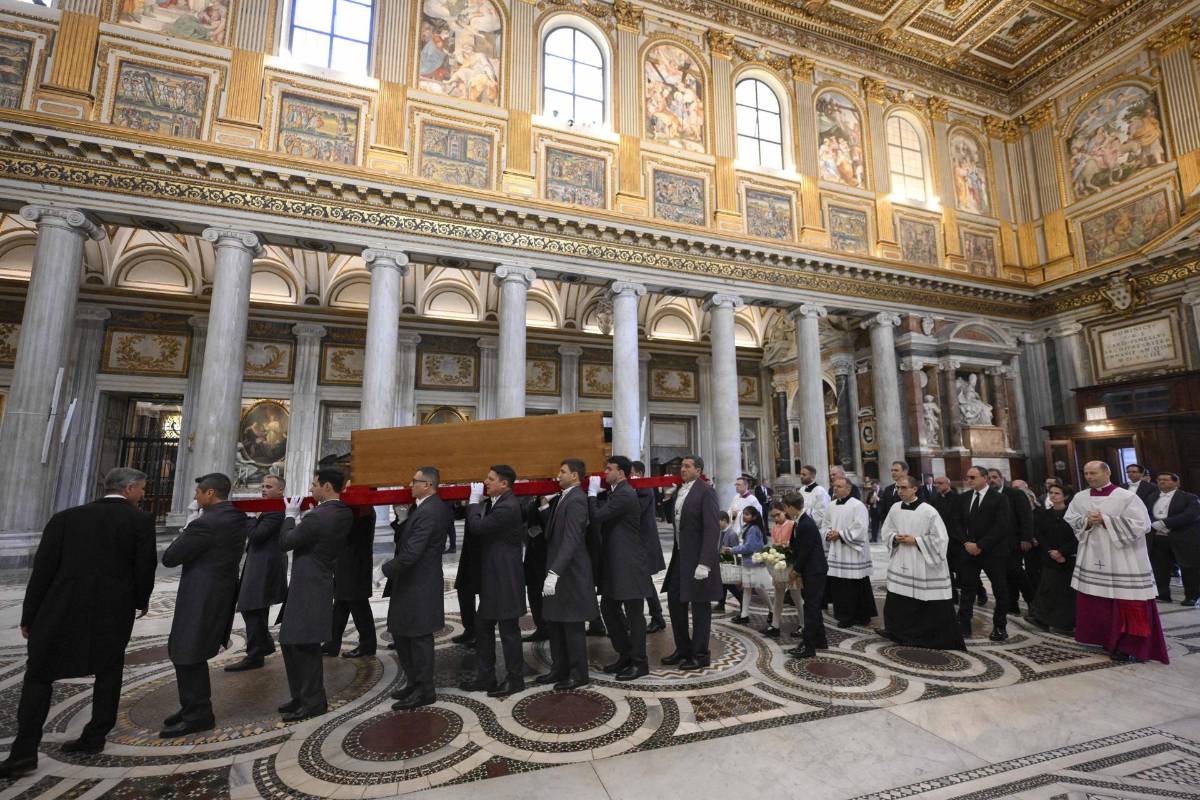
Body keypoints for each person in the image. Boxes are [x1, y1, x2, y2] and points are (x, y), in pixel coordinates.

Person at [0, 468, 156, 778]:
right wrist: (140, 600)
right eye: (141, 489)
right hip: (112, 609)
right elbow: (144, 567)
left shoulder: (65, 517)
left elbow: (42, 570)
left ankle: (24, 751)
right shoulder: (139, 521)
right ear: (128, 489)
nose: (142, 494)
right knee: (109, 671)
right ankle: (95, 735)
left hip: (60, 607)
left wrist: (30, 614)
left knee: (39, 676)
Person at [161, 473, 248, 737]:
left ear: (211, 493)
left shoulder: (206, 523)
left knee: (187, 651)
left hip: (201, 594)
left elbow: (171, 557)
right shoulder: (235, 516)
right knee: (192, 650)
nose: (195, 497)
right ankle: (191, 705)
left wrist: (189, 526)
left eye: (198, 492)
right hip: (219, 592)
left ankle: (198, 713)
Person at [1067, 461, 1168, 663]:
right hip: (1093, 555)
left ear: (1107, 473)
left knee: (1127, 601)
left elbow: (1143, 524)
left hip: (1123, 557)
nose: (1089, 477)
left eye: (1093, 472)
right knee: (1097, 600)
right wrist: (1086, 521)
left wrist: (1106, 520)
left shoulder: (1126, 497)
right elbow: (1070, 518)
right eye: (1086, 473)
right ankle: (1103, 638)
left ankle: (1128, 645)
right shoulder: (1080, 497)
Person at [277, 467, 353, 722]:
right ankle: (300, 695)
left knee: (304, 644)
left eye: (315, 484)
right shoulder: (342, 512)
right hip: (316, 579)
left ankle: (312, 701)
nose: (311, 488)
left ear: (328, 487)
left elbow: (286, 542)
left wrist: (290, 517)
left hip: (309, 583)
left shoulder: (319, 517)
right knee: (291, 640)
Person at [384, 467, 453, 710]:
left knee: (419, 635)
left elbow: (413, 551)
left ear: (428, 485)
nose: (410, 484)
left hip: (420, 581)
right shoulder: (423, 508)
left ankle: (425, 690)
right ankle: (413, 682)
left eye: (414, 481)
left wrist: (385, 570)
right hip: (411, 580)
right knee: (403, 632)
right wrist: (403, 521)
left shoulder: (431, 509)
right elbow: (409, 539)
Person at [460, 465, 527, 698]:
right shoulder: (497, 502)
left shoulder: (508, 506)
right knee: (483, 626)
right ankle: (486, 676)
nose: (485, 482)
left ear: (504, 484)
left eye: (490, 479)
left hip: (505, 579)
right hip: (493, 578)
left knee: (509, 631)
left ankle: (515, 678)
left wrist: (473, 501)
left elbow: (477, 527)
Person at [877, 476, 965, 651]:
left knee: (922, 601)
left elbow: (941, 539)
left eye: (903, 487)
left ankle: (921, 636)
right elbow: (886, 530)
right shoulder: (895, 508)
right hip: (901, 558)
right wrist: (894, 537)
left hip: (922, 561)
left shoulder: (928, 511)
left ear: (914, 489)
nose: (899, 491)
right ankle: (897, 631)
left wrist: (916, 541)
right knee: (898, 597)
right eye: (898, 487)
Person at [589, 455, 655, 681]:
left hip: (629, 563)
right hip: (616, 562)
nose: (605, 472)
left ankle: (639, 662)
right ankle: (625, 654)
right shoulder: (616, 492)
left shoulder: (625, 493)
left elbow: (597, 516)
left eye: (609, 469)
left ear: (621, 473)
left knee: (634, 614)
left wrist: (591, 495)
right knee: (609, 609)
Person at [536, 459, 597, 690]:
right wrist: (544, 507)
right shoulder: (564, 497)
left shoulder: (577, 500)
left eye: (562, 472)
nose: (557, 475)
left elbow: (571, 540)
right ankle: (559, 668)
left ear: (575, 476)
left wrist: (554, 573)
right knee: (556, 623)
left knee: (572, 626)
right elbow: (555, 532)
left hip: (569, 573)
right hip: (559, 570)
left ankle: (578, 674)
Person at [663, 455, 722, 670]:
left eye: (687, 466)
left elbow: (712, 529)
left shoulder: (706, 492)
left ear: (698, 470)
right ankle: (683, 648)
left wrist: (705, 562)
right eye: (682, 466)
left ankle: (700, 654)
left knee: (699, 606)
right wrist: (669, 498)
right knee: (675, 600)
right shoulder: (680, 490)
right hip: (680, 557)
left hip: (698, 558)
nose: (683, 469)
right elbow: (673, 520)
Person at [226, 474, 288, 673]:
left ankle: (256, 654)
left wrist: (251, 517)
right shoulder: (269, 507)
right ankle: (262, 646)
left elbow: (257, 535)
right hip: (259, 562)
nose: (263, 489)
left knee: (252, 606)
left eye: (268, 486)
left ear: (280, 490)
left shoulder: (276, 510)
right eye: (262, 486)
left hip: (265, 564)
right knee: (254, 608)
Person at [957, 465, 1014, 641]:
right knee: (967, 589)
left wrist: (981, 545)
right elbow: (956, 522)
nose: (969, 481)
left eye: (973, 477)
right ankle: (963, 625)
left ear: (985, 478)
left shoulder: (999, 498)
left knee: (1000, 590)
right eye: (967, 477)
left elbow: (1002, 526)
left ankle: (999, 626)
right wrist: (966, 542)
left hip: (993, 552)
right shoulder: (964, 498)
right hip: (969, 551)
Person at [822, 476, 877, 628]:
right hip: (837, 550)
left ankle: (860, 615)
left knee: (855, 584)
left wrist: (840, 534)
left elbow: (861, 528)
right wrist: (828, 533)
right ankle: (844, 615)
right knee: (839, 585)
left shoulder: (857, 506)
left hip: (853, 551)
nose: (835, 488)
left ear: (848, 489)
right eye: (834, 486)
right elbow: (824, 524)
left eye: (839, 486)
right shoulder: (831, 505)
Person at [325, 504, 376, 658]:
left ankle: (367, 645)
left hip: (355, 565)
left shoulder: (363, 511)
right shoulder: (354, 510)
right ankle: (332, 644)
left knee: (359, 606)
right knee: (340, 605)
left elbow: (348, 535)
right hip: (345, 564)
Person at [781, 493, 829, 658]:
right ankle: (820, 640)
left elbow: (806, 551)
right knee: (812, 605)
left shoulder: (805, 524)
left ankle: (808, 647)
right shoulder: (800, 522)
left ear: (791, 507)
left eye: (785, 507)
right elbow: (799, 545)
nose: (785, 510)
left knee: (811, 607)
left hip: (814, 570)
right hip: (812, 569)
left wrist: (796, 570)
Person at [1028, 484, 1077, 634]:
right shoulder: (1045, 514)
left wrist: (1062, 552)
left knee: (1065, 592)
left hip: (1067, 557)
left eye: (1057, 493)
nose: (1053, 496)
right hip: (1050, 557)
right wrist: (1050, 551)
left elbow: (1077, 536)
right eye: (1051, 493)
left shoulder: (1073, 514)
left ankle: (1064, 623)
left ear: (1065, 496)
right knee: (1048, 588)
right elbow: (1040, 534)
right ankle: (1042, 618)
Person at [1147, 472, 1200, 606]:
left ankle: (1192, 596)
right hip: (1158, 538)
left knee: (1188, 568)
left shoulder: (1189, 497)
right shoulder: (1152, 496)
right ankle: (1162, 594)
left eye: (1166, 480)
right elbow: (1146, 512)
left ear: (1176, 482)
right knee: (1160, 568)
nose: (1161, 482)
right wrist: (1153, 523)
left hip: (1182, 537)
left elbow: (1191, 515)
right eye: (1159, 480)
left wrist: (1166, 523)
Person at [989, 469, 1036, 616]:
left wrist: (1026, 538)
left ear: (1002, 478)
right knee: (1004, 575)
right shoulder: (988, 496)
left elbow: (1026, 517)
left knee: (1016, 572)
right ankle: (1012, 603)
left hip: (1014, 541)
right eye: (989, 478)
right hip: (996, 544)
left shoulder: (1015, 494)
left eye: (995, 477)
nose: (992, 480)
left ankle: (1032, 601)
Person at [632, 461, 668, 633]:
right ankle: (656, 616)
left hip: (644, 543)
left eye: (631, 473)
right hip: (639, 543)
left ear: (639, 473)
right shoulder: (638, 488)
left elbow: (635, 510)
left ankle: (657, 616)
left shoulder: (644, 488)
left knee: (645, 581)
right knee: (643, 581)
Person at [728, 506, 772, 630]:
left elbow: (749, 547)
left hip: (754, 562)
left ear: (754, 516)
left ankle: (772, 609)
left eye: (747, 514)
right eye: (744, 514)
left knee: (758, 588)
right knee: (747, 588)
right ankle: (744, 615)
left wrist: (733, 550)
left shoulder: (753, 528)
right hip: (749, 562)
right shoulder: (749, 527)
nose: (745, 516)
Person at [930, 476, 965, 603]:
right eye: (936, 484)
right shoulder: (935, 500)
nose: (937, 486)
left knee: (963, 569)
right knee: (947, 568)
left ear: (948, 484)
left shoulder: (958, 498)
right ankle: (953, 594)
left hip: (956, 540)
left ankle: (980, 592)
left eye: (940, 483)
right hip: (942, 540)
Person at [765, 501, 796, 638]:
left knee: (796, 597)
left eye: (778, 515)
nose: (776, 519)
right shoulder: (774, 528)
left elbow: (794, 544)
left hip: (791, 566)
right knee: (778, 597)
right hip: (779, 566)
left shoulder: (792, 525)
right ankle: (775, 625)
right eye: (773, 517)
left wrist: (786, 546)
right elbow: (774, 544)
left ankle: (803, 625)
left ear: (784, 511)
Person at [522, 495, 550, 643]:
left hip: (546, 557)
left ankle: (548, 628)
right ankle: (541, 627)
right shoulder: (532, 500)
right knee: (533, 594)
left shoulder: (555, 499)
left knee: (545, 596)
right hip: (532, 556)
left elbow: (554, 527)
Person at [877, 461, 929, 528]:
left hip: (910, 527)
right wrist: (886, 526)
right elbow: (883, 510)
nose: (893, 472)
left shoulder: (916, 487)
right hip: (892, 529)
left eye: (896, 470)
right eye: (892, 470)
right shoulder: (888, 489)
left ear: (905, 471)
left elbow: (921, 506)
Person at [716, 511, 742, 613]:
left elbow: (735, 549)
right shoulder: (720, 531)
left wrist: (727, 550)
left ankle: (742, 600)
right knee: (723, 584)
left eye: (718, 521)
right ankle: (721, 604)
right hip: (721, 562)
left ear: (724, 521)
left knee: (728, 585)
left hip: (728, 563)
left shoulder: (732, 534)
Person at [798, 464, 830, 529]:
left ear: (812, 477)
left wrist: (803, 513)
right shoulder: (801, 489)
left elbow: (822, 513)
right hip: (801, 525)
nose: (801, 476)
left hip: (815, 527)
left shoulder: (820, 491)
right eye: (800, 474)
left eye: (804, 475)